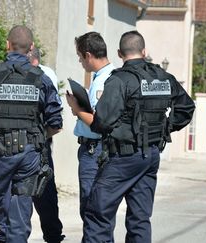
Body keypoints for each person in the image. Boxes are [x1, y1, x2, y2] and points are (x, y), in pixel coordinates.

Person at [66, 30, 195, 242]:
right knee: (140, 218)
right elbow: (186, 108)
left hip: (123, 157)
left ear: (119, 53)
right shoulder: (163, 77)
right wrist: (163, 129)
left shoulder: (119, 80)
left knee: (97, 213)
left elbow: (102, 123)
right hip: (150, 156)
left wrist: (78, 110)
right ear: (144, 51)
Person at [0, 25, 63, 243]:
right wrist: (36, 136)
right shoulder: (42, 79)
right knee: (19, 218)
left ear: (7, 45)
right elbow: (56, 124)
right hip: (29, 155)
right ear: (31, 48)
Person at [72, 32, 115, 223]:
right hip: (99, 149)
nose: (80, 62)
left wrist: (76, 108)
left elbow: (99, 123)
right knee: (101, 210)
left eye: (80, 57)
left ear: (88, 55)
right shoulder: (111, 75)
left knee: (91, 209)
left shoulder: (102, 81)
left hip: (94, 149)